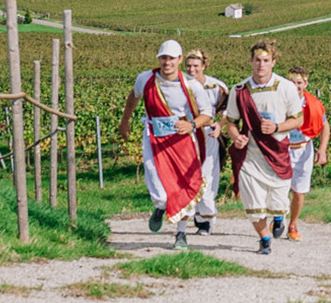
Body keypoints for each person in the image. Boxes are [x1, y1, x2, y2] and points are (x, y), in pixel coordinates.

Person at [118, 40, 214, 250]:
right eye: (163, 58)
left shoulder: (191, 85)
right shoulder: (146, 79)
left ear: (179, 60)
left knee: (184, 186)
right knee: (157, 184)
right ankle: (160, 207)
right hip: (154, 137)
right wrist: (124, 122)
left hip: (183, 141)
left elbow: (207, 113)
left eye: (171, 58)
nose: (167, 62)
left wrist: (191, 125)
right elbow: (133, 98)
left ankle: (181, 234)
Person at [220, 39, 304, 255]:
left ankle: (278, 218)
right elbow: (231, 122)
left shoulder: (285, 87)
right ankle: (264, 239)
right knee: (253, 202)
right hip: (251, 155)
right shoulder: (239, 90)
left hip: (277, 155)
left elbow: (297, 120)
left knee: (278, 202)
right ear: (251, 61)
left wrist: (277, 126)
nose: (261, 65)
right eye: (257, 60)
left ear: (273, 62)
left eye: (266, 60)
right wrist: (236, 137)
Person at [184, 49, 231, 235]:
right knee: (188, 175)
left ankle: (206, 217)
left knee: (208, 175)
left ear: (204, 66)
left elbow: (227, 110)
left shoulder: (216, 87)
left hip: (208, 133)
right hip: (187, 134)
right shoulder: (180, 85)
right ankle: (195, 213)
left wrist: (219, 125)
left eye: (196, 66)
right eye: (188, 65)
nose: (192, 69)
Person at [281, 66, 330, 241]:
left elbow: (325, 126)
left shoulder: (314, 104)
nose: (295, 86)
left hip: (303, 150)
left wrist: (322, 150)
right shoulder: (280, 101)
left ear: (306, 83)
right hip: (283, 149)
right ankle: (279, 217)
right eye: (292, 82)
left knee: (298, 191)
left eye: (299, 83)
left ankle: (292, 224)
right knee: (279, 188)